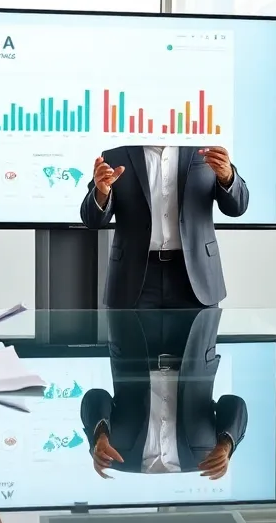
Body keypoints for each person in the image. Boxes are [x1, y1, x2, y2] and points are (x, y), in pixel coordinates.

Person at [81, 308, 246, 479]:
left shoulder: (117, 458)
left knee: (128, 285)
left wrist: (99, 436)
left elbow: (95, 397)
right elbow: (233, 404)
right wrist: (226, 445)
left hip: (133, 337)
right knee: (201, 285)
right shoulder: (204, 460)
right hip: (194, 338)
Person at [79, 144, 248, 308]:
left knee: (199, 337)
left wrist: (227, 178)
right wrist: (102, 193)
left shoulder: (207, 146)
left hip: (197, 275)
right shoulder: (116, 154)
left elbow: (237, 208)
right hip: (132, 277)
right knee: (127, 337)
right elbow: (92, 220)